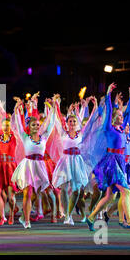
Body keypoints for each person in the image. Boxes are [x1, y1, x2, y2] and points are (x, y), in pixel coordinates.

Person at [86, 83, 130, 231]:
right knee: (126, 191)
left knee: (110, 196)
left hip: (120, 162)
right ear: (114, 118)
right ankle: (128, 221)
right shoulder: (108, 128)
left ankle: (91, 218)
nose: (122, 117)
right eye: (120, 116)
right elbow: (109, 110)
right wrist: (108, 94)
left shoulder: (122, 130)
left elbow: (129, 115)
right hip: (111, 163)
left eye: (122, 116)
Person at [11, 95, 56, 229]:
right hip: (28, 165)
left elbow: (51, 123)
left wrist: (52, 109)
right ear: (29, 127)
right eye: (33, 125)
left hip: (40, 166)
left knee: (39, 193)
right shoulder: (25, 137)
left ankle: (26, 215)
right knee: (27, 192)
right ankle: (26, 221)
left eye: (38, 124)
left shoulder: (43, 138)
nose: (36, 126)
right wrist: (16, 110)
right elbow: (18, 125)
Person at [51, 95, 97, 225]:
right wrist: (55, 105)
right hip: (65, 162)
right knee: (64, 189)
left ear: (77, 123)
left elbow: (91, 121)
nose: (72, 124)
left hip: (77, 162)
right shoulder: (62, 132)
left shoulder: (81, 133)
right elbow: (55, 119)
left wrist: (93, 106)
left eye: (74, 122)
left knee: (76, 191)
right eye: (70, 122)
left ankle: (69, 213)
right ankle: (67, 216)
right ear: (66, 123)